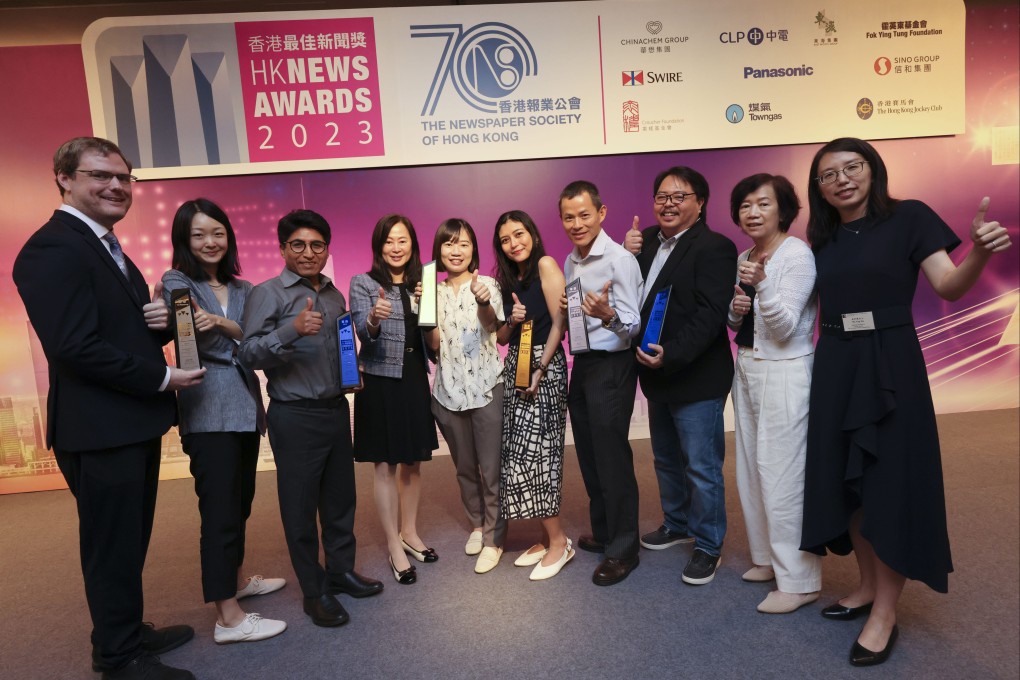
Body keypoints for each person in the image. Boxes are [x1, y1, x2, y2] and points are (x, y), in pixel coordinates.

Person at [801, 137, 1012, 666]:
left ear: (873, 169)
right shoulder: (821, 236)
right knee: (847, 476)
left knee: (888, 480)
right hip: (836, 362)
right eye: (829, 174)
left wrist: (980, 250)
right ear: (819, 189)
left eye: (853, 167)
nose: (842, 179)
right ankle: (869, 585)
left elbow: (949, 286)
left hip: (890, 362)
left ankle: (886, 612)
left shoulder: (910, 217)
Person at [13, 137, 205, 680]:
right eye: (101, 175)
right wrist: (163, 376)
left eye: (124, 177)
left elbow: (111, 328)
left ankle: (123, 630)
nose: (117, 186)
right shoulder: (54, 247)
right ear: (64, 178)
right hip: (99, 429)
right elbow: (74, 347)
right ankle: (118, 658)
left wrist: (160, 326)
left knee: (127, 540)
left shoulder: (102, 246)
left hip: (125, 424)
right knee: (109, 546)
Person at [239, 209, 383, 629]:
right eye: (298, 245)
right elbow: (246, 354)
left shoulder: (335, 295)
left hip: (336, 410)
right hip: (294, 415)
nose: (308, 253)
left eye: (317, 245)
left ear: (327, 249)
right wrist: (290, 331)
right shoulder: (268, 293)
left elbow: (341, 347)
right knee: (300, 510)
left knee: (340, 503)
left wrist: (350, 374)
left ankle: (340, 573)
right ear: (283, 248)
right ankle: (314, 590)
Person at [161, 199, 287, 643]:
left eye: (217, 233)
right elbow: (193, 334)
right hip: (207, 406)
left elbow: (255, 339)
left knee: (241, 503)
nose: (210, 242)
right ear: (184, 240)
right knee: (218, 512)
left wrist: (220, 323)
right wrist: (233, 332)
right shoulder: (176, 281)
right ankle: (228, 619)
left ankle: (233, 583)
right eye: (198, 235)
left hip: (244, 405)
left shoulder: (244, 287)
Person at [630, 166, 737, 586]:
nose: (668, 204)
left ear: (700, 203)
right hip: (656, 375)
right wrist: (630, 251)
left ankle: (708, 544)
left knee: (702, 465)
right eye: (661, 196)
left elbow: (711, 316)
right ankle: (677, 523)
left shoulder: (715, 247)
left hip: (695, 375)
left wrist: (670, 354)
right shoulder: (650, 244)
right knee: (666, 459)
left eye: (679, 196)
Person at [725, 175, 821, 612]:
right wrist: (735, 307)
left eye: (763, 204)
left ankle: (800, 581)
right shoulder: (746, 255)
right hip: (747, 367)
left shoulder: (797, 255)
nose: (753, 212)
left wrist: (761, 285)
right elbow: (737, 323)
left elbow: (783, 330)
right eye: (745, 205)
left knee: (782, 473)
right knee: (750, 468)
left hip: (785, 370)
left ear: (783, 210)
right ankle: (767, 559)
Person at [559, 181, 644, 586]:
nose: (577, 224)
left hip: (613, 364)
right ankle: (607, 531)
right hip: (584, 364)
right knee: (590, 455)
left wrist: (608, 314)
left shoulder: (620, 260)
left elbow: (632, 325)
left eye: (584, 215)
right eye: (569, 217)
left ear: (602, 213)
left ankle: (625, 549)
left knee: (612, 456)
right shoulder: (570, 262)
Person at [349, 215, 439, 585]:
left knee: (413, 461)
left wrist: (426, 307)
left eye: (402, 240)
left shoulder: (425, 284)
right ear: (379, 246)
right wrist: (372, 318)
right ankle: (393, 543)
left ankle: (410, 531)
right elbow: (363, 335)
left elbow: (432, 345)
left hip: (415, 377)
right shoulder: (364, 283)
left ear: (412, 245)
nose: (396, 247)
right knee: (384, 464)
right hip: (381, 383)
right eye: (389, 241)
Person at [493, 210, 572, 581]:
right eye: (506, 239)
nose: (514, 243)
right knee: (521, 455)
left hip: (545, 367)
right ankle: (544, 537)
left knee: (540, 455)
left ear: (533, 233)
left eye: (519, 234)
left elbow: (561, 323)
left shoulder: (545, 264)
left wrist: (541, 369)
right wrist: (513, 319)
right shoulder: (510, 278)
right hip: (517, 367)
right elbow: (501, 338)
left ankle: (559, 543)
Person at [425, 218, 507, 574]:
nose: (456, 251)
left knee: (491, 469)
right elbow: (433, 345)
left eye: (463, 244)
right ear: (438, 250)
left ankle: (494, 538)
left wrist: (483, 302)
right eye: (448, 244)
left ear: (474, 249)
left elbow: (494, 329)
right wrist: (424, 309)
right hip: (447, 393)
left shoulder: (487, 284)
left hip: (486, 388)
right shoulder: (431, 290)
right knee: (464, 469)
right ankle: (476, 524)